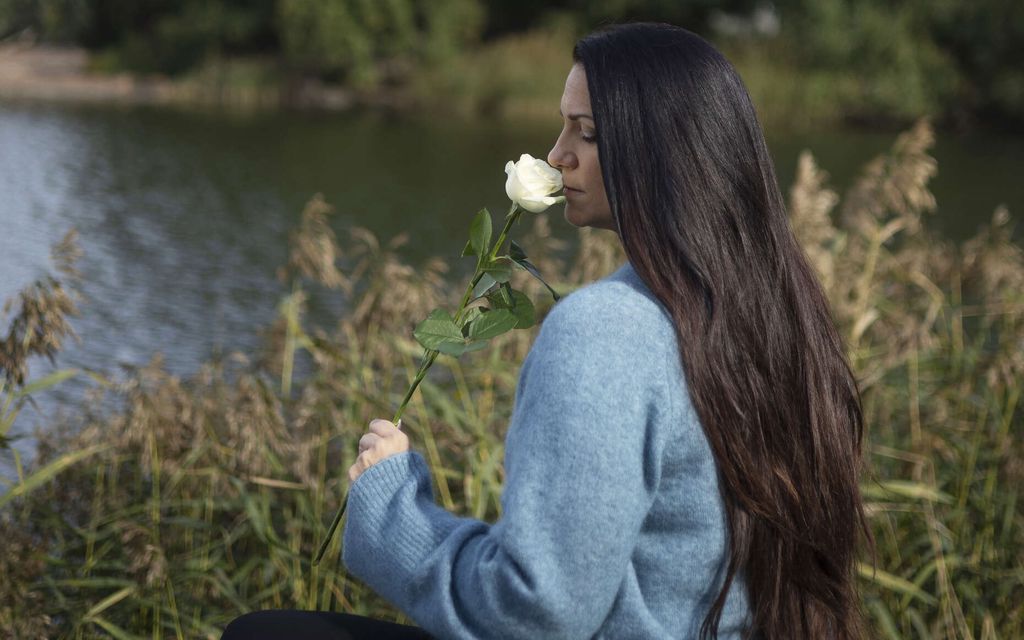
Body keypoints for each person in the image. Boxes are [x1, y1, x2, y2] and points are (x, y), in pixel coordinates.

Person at [222, 21, 874, 640]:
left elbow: (535, 613)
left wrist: (389, 503)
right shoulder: (776, 314)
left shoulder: (607, 331)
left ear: (663, 151)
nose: (557, 156)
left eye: (585, 133)